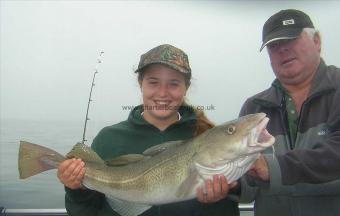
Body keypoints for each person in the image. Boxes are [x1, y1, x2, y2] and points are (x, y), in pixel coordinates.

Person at [57, 44, 240, 216]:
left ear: (186, 88)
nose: (162, 93)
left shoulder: (209, 138)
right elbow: (84, 212)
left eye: (174, 83)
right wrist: (76, 190)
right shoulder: (108, 138)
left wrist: (216, 201)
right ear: (140, 84)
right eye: (153, 82)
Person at [235, 9, 340, 216]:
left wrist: (275, 168)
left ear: (316, 40)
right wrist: (233, 186)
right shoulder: (253, 109)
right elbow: (249, 185)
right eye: (273, 45)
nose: (282, 49)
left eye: (291, 39)